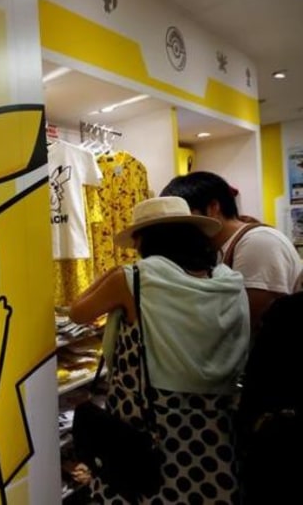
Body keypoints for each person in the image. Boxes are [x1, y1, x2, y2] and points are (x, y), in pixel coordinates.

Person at [70, 196, 250, 504]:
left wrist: (115, 273)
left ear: (142, 239)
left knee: (138, 488)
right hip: (215, 419)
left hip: (148, 417)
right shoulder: (228, 280)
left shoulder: (135, 277)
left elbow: (78, 312)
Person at [161, 171, 302, 335]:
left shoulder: (257, 242)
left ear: (213, 208)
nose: (179, 230)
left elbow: (250, 322)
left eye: (184, 219)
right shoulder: (216, 248)